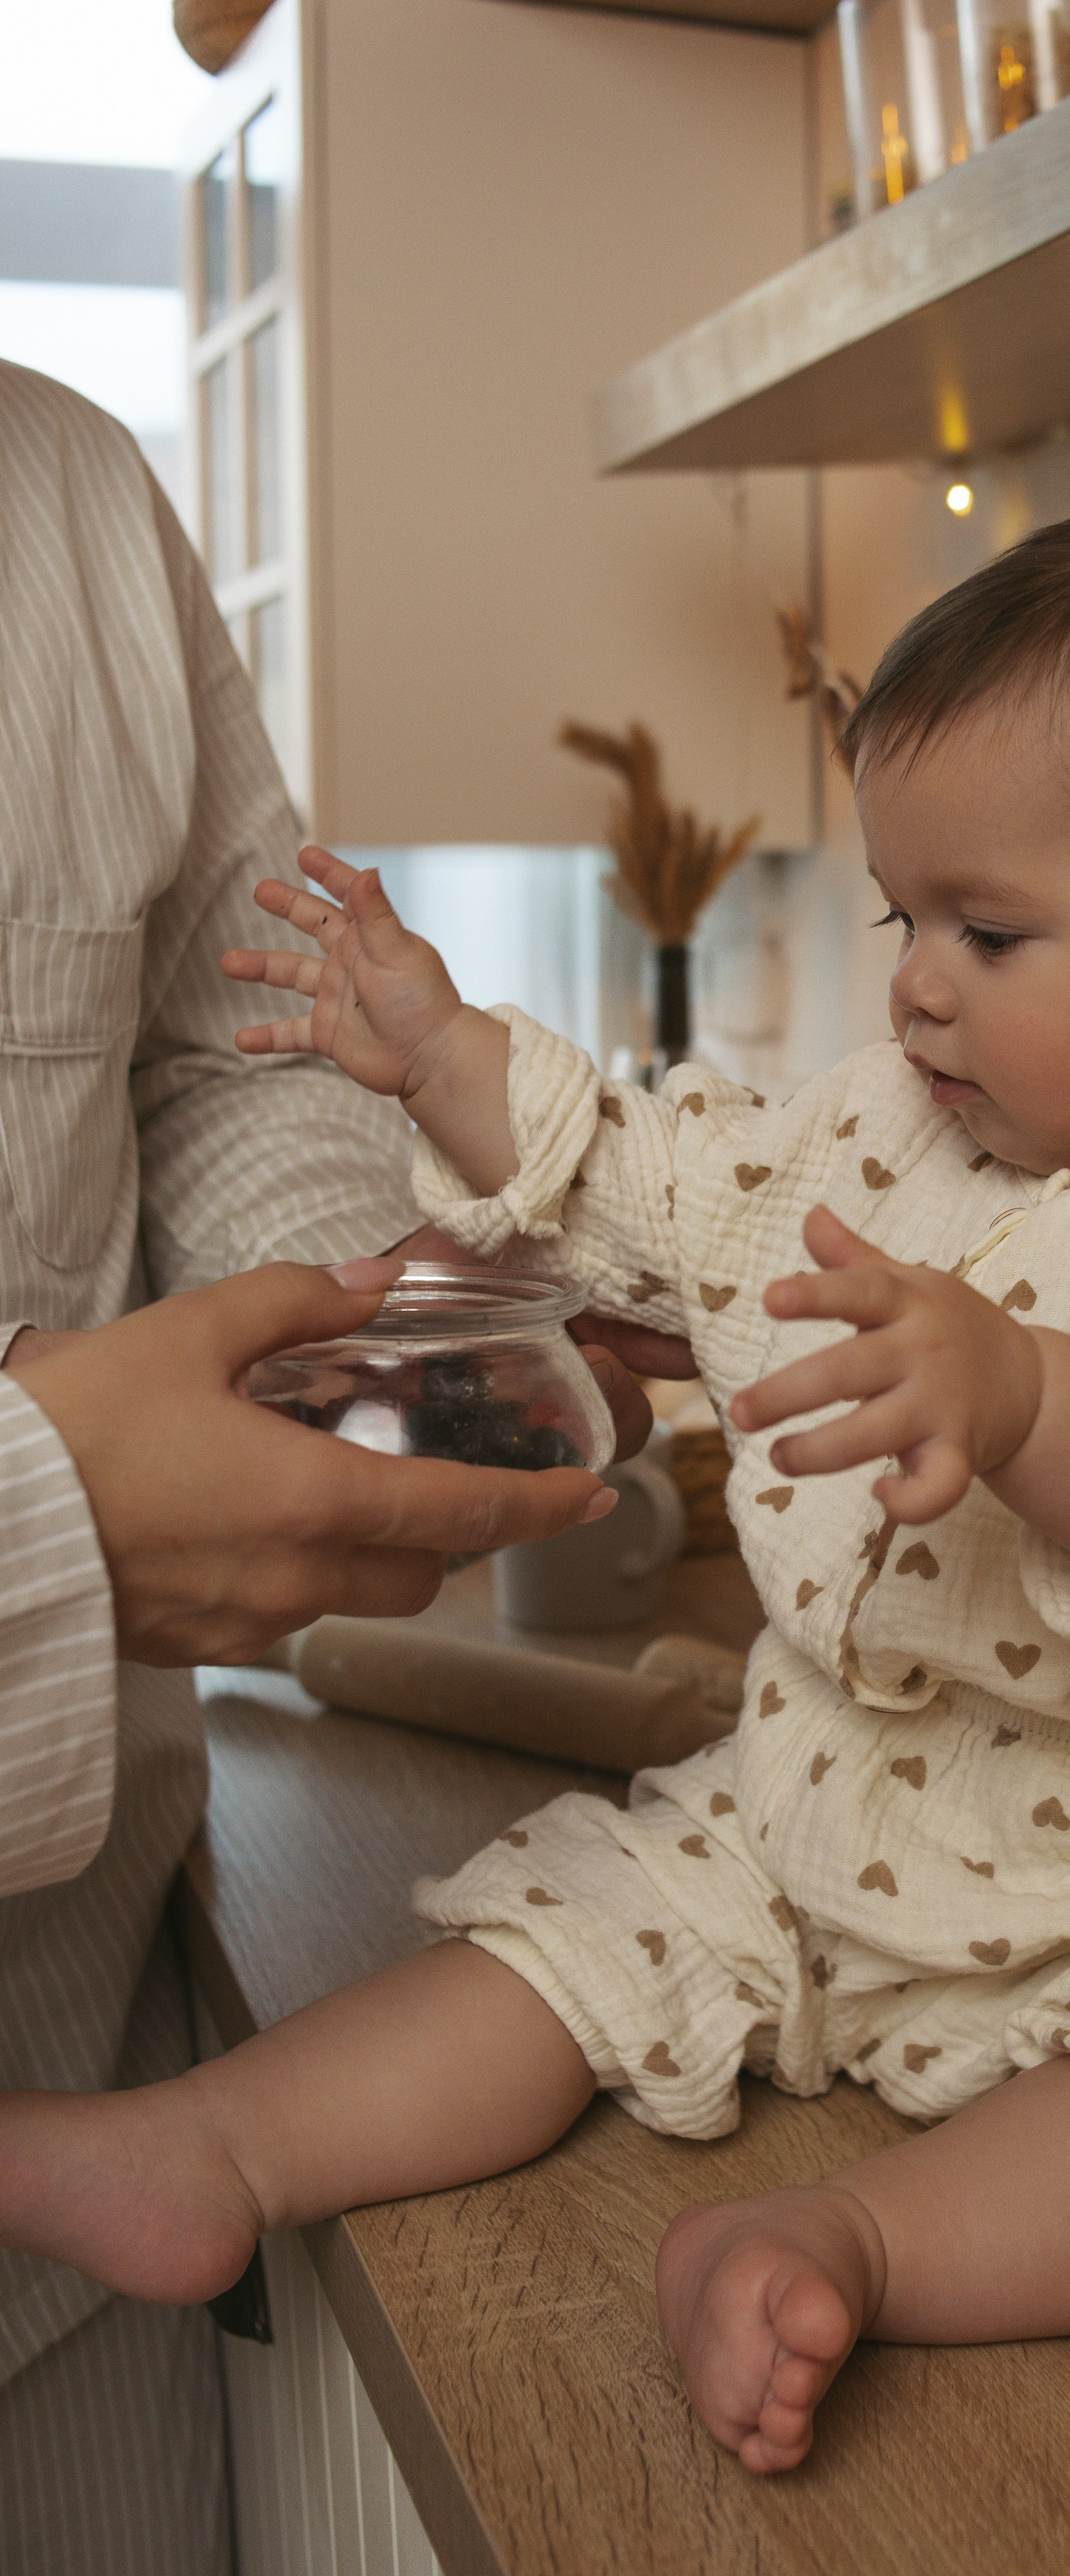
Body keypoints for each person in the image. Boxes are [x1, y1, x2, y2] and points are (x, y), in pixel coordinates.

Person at [0, 505, 1070, 2482]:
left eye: (987, 931)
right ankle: (216, 2141)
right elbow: (665, 1185)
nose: (915, 993)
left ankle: (857, 2243)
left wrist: (1043, 1399)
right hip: (834, 1812)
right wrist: (448, 1054)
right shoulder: (899, 1126)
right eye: (902, 923)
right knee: (579, 1915)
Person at [0, 360, 656, 2575]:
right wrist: (49, 1532)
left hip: (69, 2157)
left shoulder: (75, 491)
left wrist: (351, 1354)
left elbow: (225, 1043)